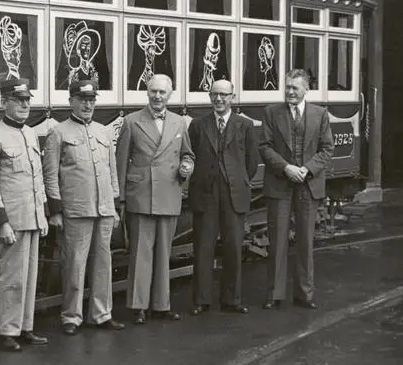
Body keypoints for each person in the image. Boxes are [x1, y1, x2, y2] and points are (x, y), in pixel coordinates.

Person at [42, 80, 125, 336]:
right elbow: (50, 175)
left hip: (102, 209)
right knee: (74, 265)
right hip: (76, 210)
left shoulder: (103, 132)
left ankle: (101, 314)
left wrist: (113, 205)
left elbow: (112, 172)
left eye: (91, 100)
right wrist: (55, 210)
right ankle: (71, 316)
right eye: (82, 99)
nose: (88, 104)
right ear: (71, 102)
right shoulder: (58, 133)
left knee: (103, 264)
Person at [0, 78, 50, 352]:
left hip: (31, 217)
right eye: (18, 100)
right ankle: (5, 331)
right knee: (10, 277)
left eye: (27, 100)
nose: (25, 104)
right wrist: (1, 222)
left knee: (30, 276)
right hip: (11, 220)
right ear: (3, 102)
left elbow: (38, 178)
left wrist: (42, 214)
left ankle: (25, 327)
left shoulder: (30, 133)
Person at [116, 73, 195, 324]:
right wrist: (120, 200)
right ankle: (138, 306)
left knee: (164, 253)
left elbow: (188, 154)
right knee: (140, 254)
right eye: (153, 92)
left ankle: (161, 305)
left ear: (170, 95)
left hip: (169, 192)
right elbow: (120, 163)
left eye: (162, 92)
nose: (157, 96)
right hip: (141, 195)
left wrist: (186, 166)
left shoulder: (179, 123)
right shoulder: (131, 122)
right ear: (147, 93)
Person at [258, 69, 334, 310]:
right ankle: (275, 294)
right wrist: (286, 168)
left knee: (305, 242)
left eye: (295, 88)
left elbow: (327, 149)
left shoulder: (320, 114)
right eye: (287, 87)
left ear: (306, 90)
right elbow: (265, 146)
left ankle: (304, 294)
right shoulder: (271, 112)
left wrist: (307, 169)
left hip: (308, 185)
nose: (290, 91)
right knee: (277, 240)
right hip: (281, 182)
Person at [187, 80, 258, 316]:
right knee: (203, 248)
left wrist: (236, 181)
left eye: (224, 95)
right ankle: (202, 300)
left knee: (233, 247)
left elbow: (251, 163)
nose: (219, 99)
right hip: (205, 193)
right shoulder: (197, 125)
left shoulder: (245, 125)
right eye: (215, 95)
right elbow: (192, 155)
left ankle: (232, 299)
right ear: (209, 96)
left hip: (233, 193)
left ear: (232, 97)